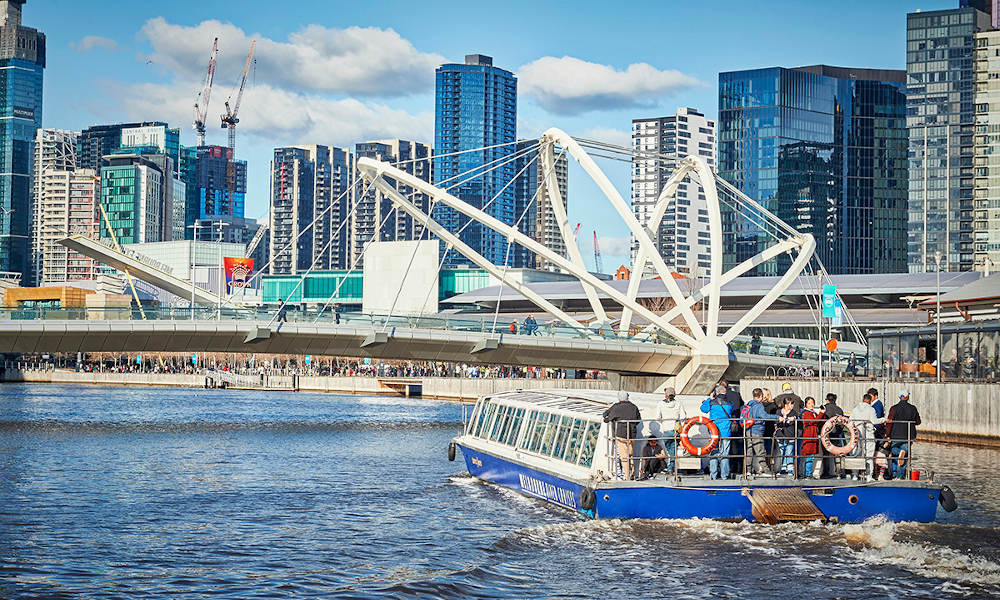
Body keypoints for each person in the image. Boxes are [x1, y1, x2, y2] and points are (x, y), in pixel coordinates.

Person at [603, 390, 641, 480]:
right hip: (632, 435)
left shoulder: (616, 407)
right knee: (630, 454)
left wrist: (606, 418)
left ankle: (627, 476)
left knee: (624, 456)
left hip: (621, 435)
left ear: (619, 398)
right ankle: (632, 473)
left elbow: (607, 416)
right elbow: (638, 419)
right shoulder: (634, 407)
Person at [885, 389, 921, 480]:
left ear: (899, 397)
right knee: (904, 457)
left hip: (895, 435)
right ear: (907, 397)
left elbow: (890, 422)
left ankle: (893, 475)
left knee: (893, 454)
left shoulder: (894, 408)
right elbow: (918, 422)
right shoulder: (913, 408)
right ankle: (900, 477)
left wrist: (887, 435)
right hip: (908, 435)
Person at [701, 385, 735, 480]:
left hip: (714, 432)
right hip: (726, 432)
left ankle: (713, 475)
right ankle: (724, 476)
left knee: (714, 452)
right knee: (725, 453)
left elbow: (703, 409)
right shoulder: (730, 403)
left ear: (716, 393)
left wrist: (709, 399)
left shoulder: (712, 403)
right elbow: (731, 410)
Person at [849, 392, 886, 481]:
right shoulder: (871, 409)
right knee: (869, 455)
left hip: (857, 434)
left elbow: (850, 420)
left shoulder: (855, 409)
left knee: (857, 453)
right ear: (869, 401)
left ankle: (855, 475)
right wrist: (885, 419)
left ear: (862, 399)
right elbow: (874, 421)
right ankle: (869, 476)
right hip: (868, 434)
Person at [654, 386, 686, 474]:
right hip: (676, 430)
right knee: (673, 449)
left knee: (669, 449)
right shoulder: (679, 404)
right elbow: (683, 417)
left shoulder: (660, 404)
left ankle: (670, 468)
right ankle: (671, 468)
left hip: (666, 430)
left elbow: (657, 417)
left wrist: (663, 422)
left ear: (666, 395)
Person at [741, 388, 770, 475]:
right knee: (760, 450)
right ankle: (766, 470)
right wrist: (777, 417)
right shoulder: (759, 405)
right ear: (761, 396)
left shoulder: (748, 405)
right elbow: (764, 416)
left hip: (748, 430)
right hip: (757, 430)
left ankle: (748, 470)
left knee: (749, 451)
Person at [799, 396, 825, 478]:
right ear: (806, 404)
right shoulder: (806, 413)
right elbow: (814, 421)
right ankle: (807, 474)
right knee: (809, 456)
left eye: (812, 403)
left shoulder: (813, 413)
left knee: (810, 456)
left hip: (812, 435)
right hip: (809, 435)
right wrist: (821, 413)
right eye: (809, 403)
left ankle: (806, 473)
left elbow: (818, 421)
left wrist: (821, 415)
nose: (811, 405)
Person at [821, 393, 845, 478]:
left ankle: (826, 472)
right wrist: (838, 431)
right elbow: (843, 423)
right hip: (836, 434)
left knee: (826, 454)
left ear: (827, 400)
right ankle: (839, 472)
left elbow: (820, 420)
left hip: (826, 434)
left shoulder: (824, 408)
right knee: (837, 453)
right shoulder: (839, 410)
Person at [773, 398, 798, 475]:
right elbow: (775, 421)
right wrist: (776, 425)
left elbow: (799, 418)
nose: (793, 405)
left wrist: (794, 418)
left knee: (789, 452)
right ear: (786, 404)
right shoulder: (778, 412)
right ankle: (782, 469)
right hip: (780, 435)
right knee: (781, 452)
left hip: (790, 434)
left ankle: (790, 470)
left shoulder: (794, 413)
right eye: (791, 404)